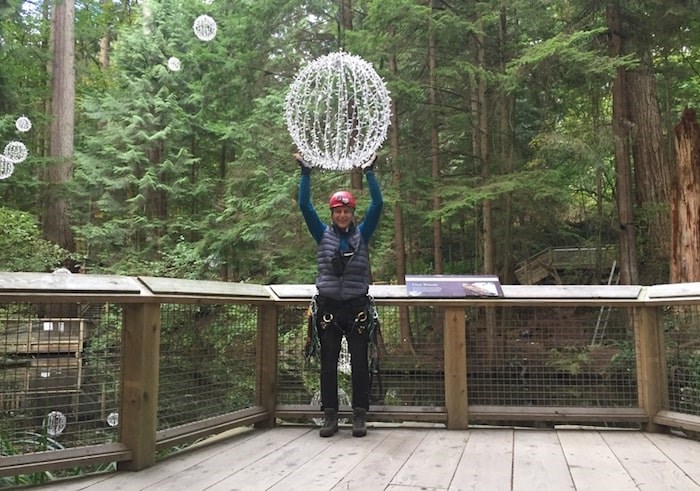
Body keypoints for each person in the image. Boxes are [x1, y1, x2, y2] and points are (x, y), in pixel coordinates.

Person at [295, 152, 383, 438]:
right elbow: (304, 206)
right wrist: (305, 173)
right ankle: (330, 416)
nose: (342, 215)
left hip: (357, 308)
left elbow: (378, 206)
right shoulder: (322, 235)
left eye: (346, 211)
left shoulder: (362, 234)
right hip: (329, 308)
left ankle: (359, 415)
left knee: (359, 362)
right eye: (337, 211)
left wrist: (369, 172)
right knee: (328, 363)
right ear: (332, 214)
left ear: (352, 214)